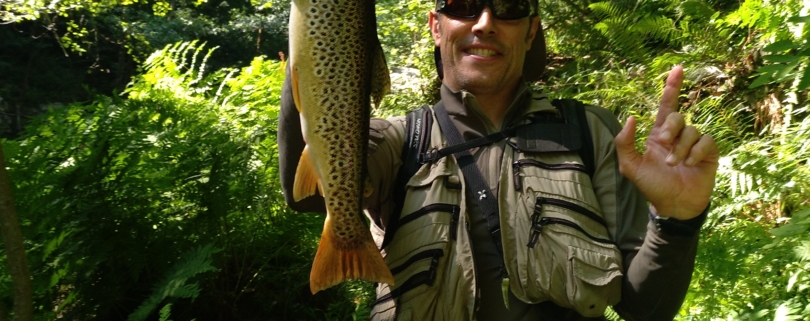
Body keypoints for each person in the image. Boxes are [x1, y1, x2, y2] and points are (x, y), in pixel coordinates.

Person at [277, 0, 720, 320]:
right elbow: (308, 199)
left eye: (508, 7)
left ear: (530, 31)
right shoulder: (394, 139)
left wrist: (677, 220)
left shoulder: (593, 134)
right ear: (436, 25)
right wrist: (318, 55)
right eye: (465, 5)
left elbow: (646, 309)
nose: (486, 22)